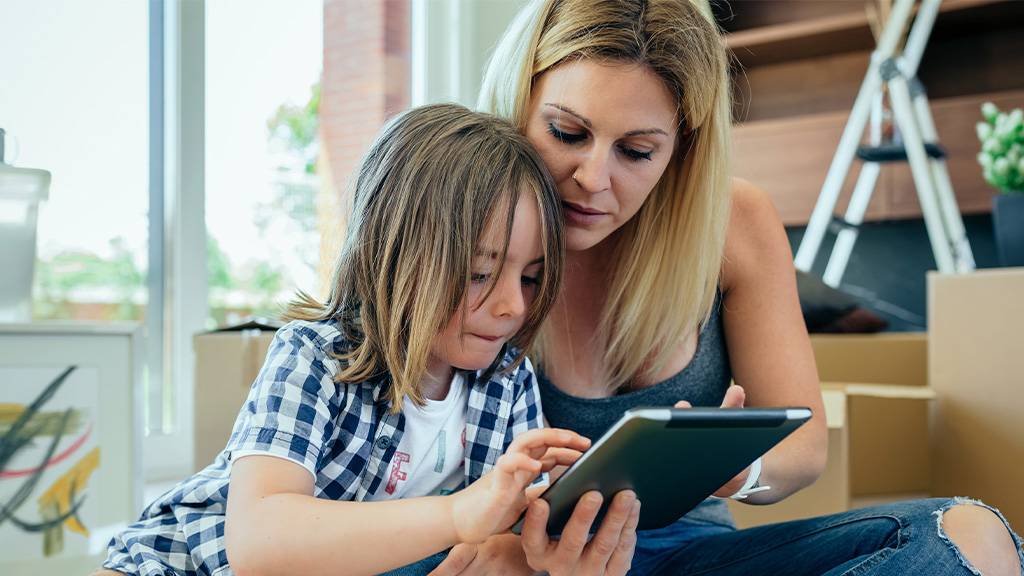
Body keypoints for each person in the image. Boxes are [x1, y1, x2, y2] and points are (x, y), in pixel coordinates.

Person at [424, 1, 1024, 575]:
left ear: (682, 151)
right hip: (503, 553)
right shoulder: (445, 214)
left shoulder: (732, 223)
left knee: (965, 537)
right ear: (519, 103)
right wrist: (502, 543)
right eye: (567, 133)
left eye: (636, 151)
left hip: (688, 553)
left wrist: (739, 470)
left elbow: (806, 446)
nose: (593, 179)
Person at [92, 103, 602, 576]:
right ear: (391, 253)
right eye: (478, 274)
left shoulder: (508, 378)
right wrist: (458, 514)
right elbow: (258, 541)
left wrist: (522, 551)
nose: (512, 304)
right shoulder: (313, 355)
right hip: (187, 560)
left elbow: (507, 529)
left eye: (530, 278)